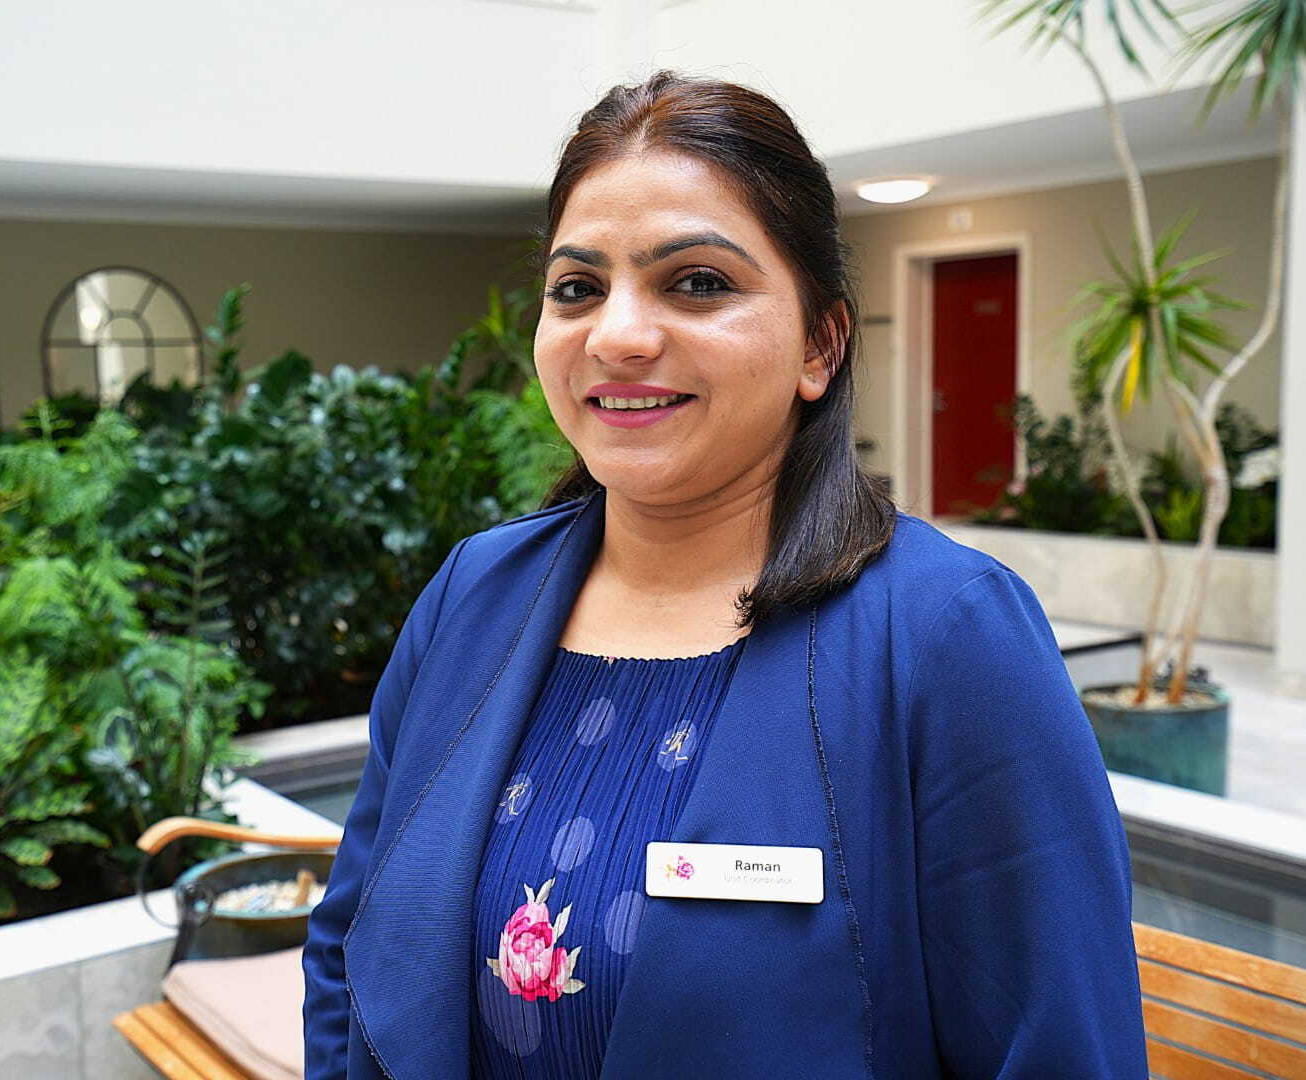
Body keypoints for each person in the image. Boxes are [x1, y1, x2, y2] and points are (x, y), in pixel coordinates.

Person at [302, 69, 1148, 1079]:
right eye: (577, 287)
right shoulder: (473, 597)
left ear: (820, 345)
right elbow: (351, 948)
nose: (617, 335)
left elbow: (1057, 1048)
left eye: (696, 281)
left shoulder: (946, 634)